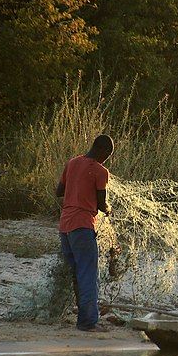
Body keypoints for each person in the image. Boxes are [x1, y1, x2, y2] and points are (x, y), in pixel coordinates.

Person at [56, 134, 114, 331]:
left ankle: (83, 315)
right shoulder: (100, 171)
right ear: (102, 151)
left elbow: (58, 191)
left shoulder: (72, 163)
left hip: (65, 227)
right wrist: (108, 209)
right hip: (82, 226)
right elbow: (100, 203)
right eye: (107, 155)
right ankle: (88, 323)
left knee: (76, 274)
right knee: (88, 274)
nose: (107, 159)